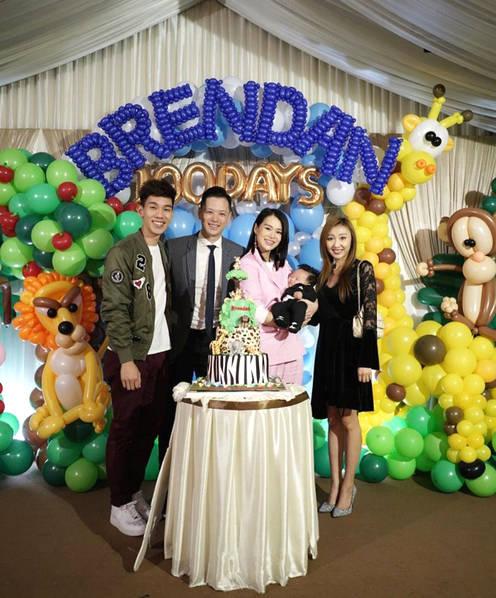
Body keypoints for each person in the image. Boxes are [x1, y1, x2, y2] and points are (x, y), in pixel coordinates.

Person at [101, 179, 176, 536]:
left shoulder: (163, 250)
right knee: (125, 429)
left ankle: (132, 494)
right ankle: (118, 504)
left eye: (166, 208)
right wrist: (127, 360)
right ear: (141, 209)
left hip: (160, 355)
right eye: (154, 207)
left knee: (148, 430)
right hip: (133, 356)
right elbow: (114, 309)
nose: (160, 214)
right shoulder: (123, 252)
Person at [162, 186, 243, 451]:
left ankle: (210, 468)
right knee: (173, 409)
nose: (215, 219)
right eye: (210, 212)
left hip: (217, 341)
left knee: (217, 410)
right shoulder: (174, 248)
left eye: (221, 214)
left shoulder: (238, 253)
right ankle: (169, 471)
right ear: (200, 213)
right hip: (180, 340)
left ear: (229, 217)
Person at [311, 214, 379, 518]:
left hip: (352, 353)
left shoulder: (362, 269)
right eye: (330, 238)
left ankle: (349, 486)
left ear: (351, 240)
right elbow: (318, 317)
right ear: (324, 242)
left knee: (349, 420)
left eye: (342, 238)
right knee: (332, 420)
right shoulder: (324, 274)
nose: (336, 244)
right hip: (327, 352)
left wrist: (367, 360)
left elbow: (369, 317)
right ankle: (335, 486)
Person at [239, 208, 316, 383]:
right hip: (263, 351)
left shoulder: (283, 264)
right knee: (266, 400)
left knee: (292, 399)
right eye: (268, 228)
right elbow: (253, 308)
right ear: (256, 228)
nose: (272, 236)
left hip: (291, 350)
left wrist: (308, 308)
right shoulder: (246, 264)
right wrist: (285, 321)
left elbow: (300, 292)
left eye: (278, 232)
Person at [271, 264, 319, 333]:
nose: (291, 279)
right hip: (286, 305)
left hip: (297, 306)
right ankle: (281, 318)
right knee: (277, 306)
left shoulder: (306, 289)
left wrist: (302, 294)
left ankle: (295, 324)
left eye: (296, 279)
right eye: (291, 276)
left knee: (300, 307)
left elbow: (312, 296)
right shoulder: (289, 289)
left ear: (308, 284)